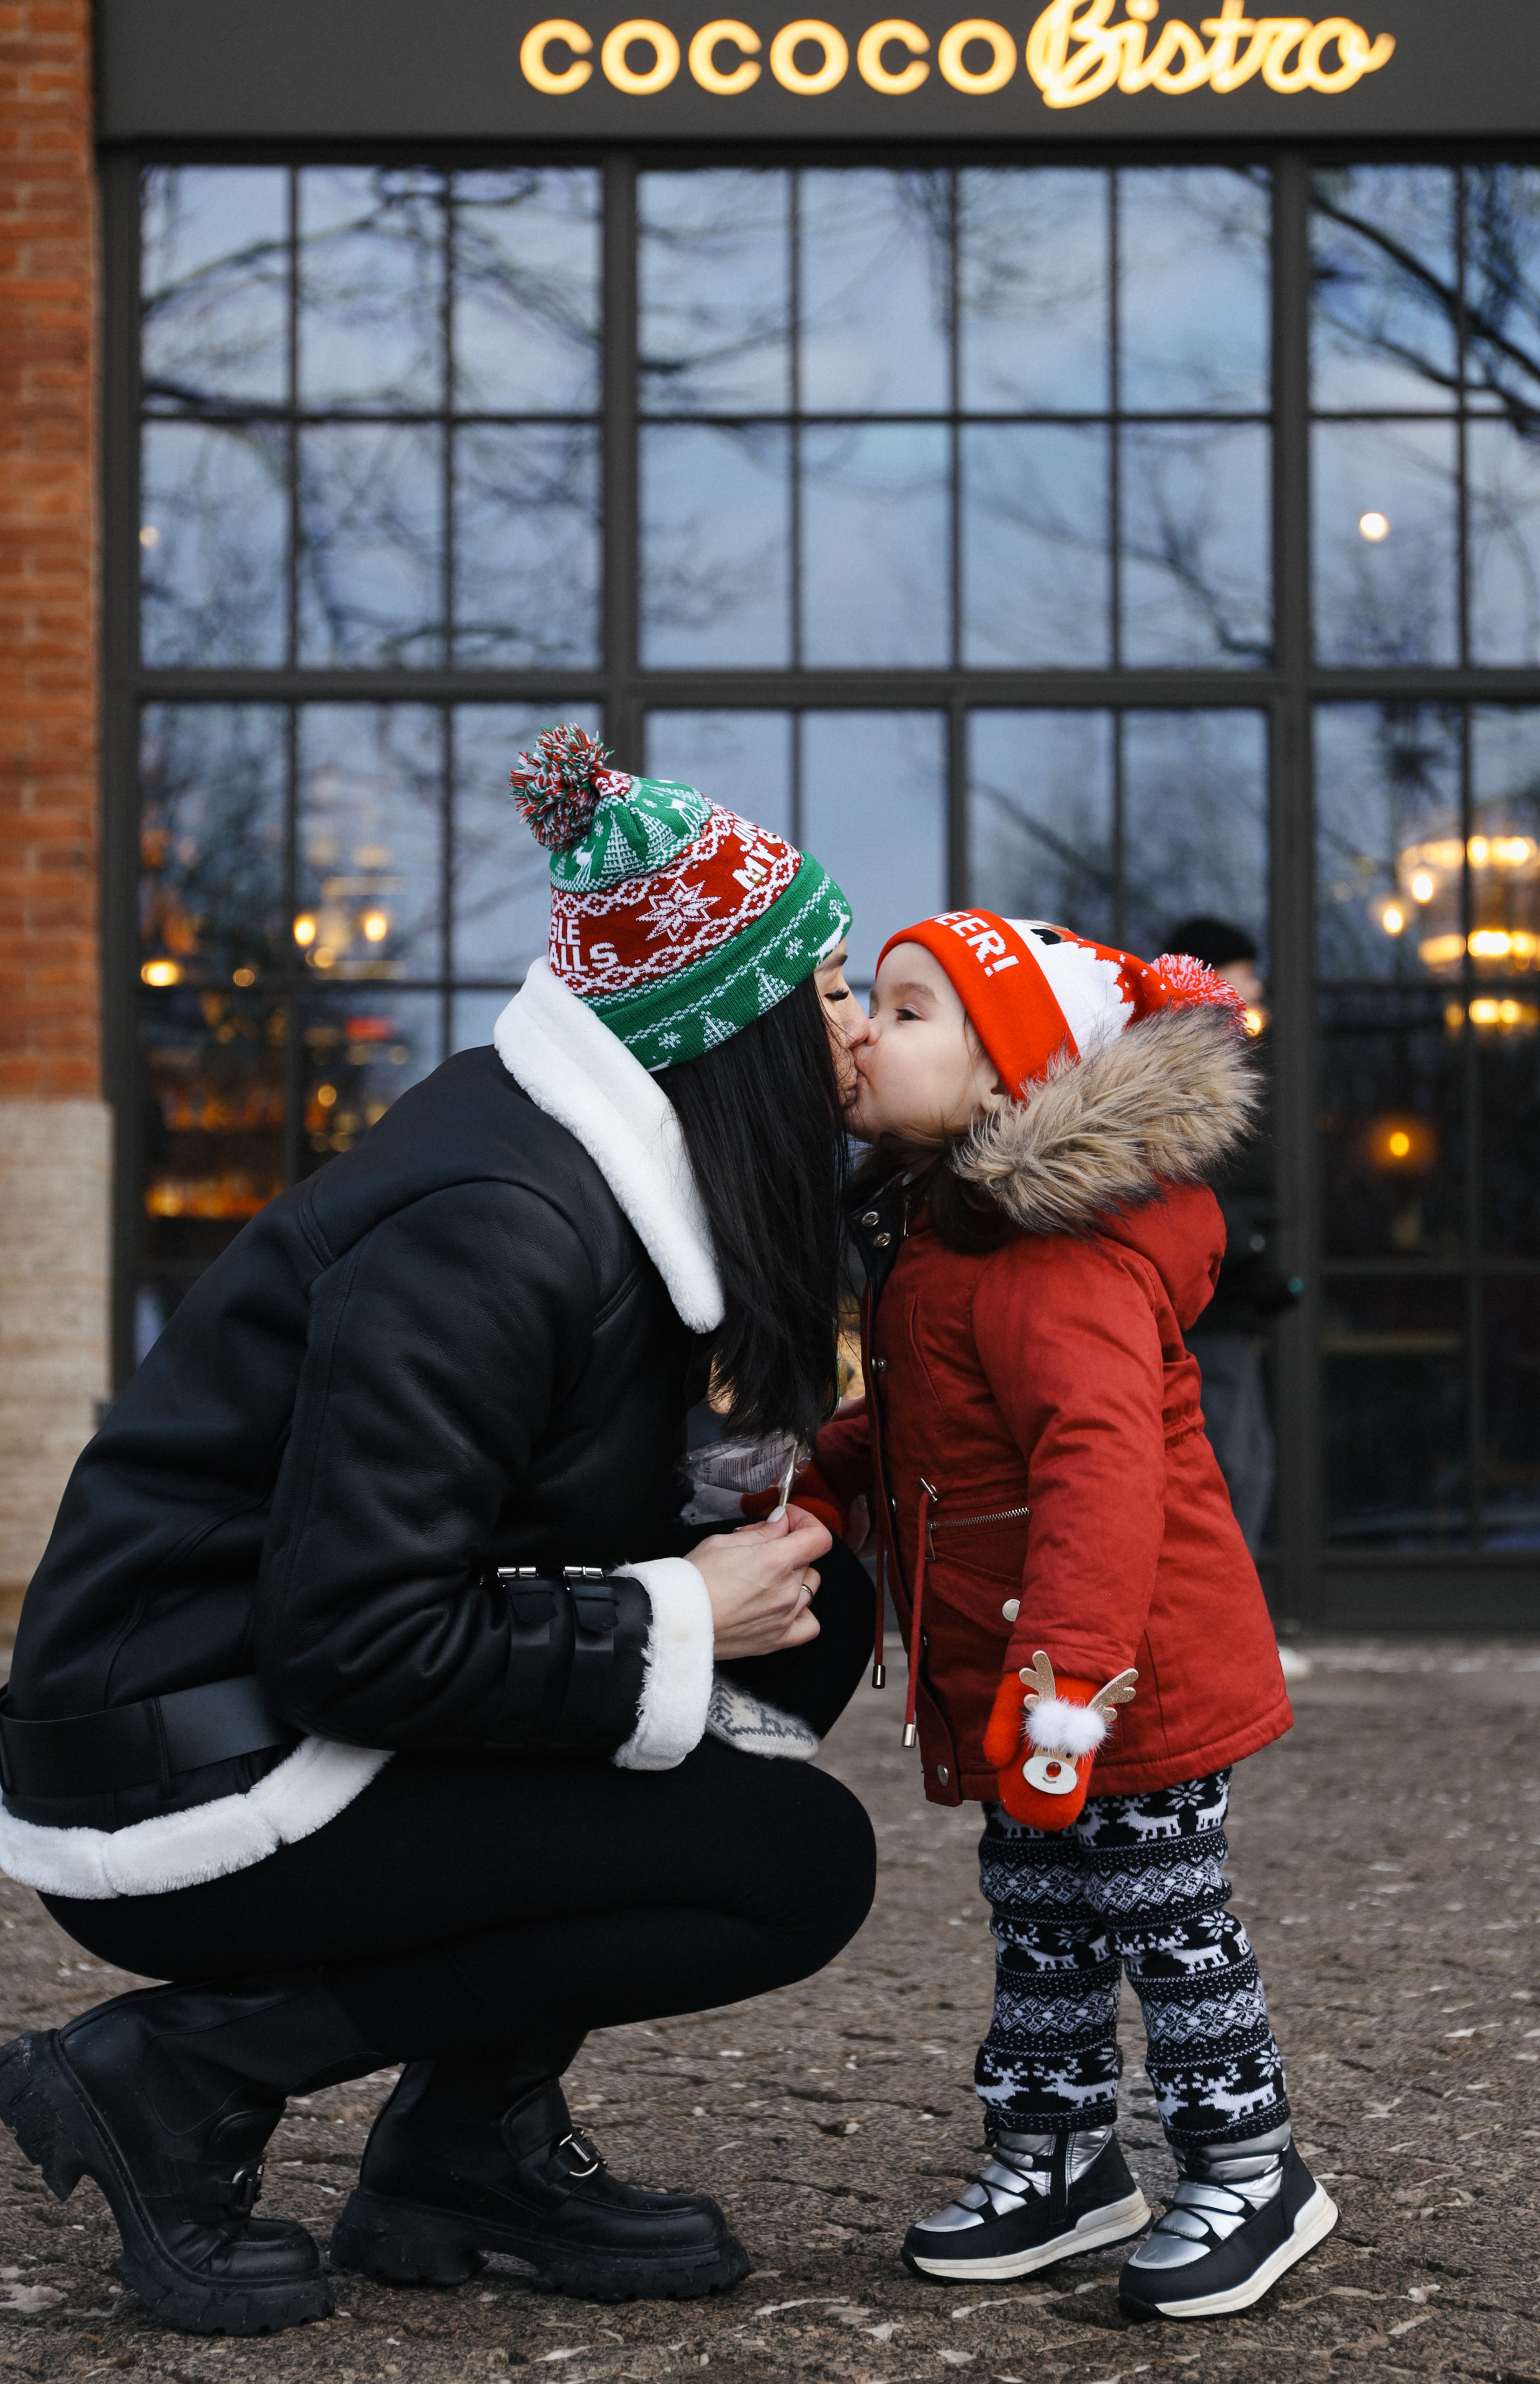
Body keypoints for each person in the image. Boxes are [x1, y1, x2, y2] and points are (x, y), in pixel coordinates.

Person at [0, 727, 878, 2337]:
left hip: (279, 1687)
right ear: (726, 1030)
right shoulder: (495, 1232)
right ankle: (178, 2072)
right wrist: (669, 1617)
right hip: (183, 1758)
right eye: (826, 993)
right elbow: (359, 1637)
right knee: (789, 1865)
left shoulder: (605, 1186)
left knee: (823, 1619)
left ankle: (461, 2151)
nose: (856, 1035)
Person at [788, 909, 1334, 2321]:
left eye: (906, 1012)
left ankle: (1249, 2162)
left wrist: (1073, 1676)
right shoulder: (940, 1233)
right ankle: (1058, 2157)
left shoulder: (1053, 1255)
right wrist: (810, 1484)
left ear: (1005, 1077)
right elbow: (911, 1424)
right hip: (1026, 1676)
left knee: (1163, 1916)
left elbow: (1100, 1467)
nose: (863, 1030)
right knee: (1040, 1918)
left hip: (1120, 1674)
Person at [1162, 917, 1302, 1554]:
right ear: (1213, 978)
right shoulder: (1186, 1066)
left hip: (1223, 1305)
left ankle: (1227, 1624)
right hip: (1205, 1307)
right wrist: (1244, 1247)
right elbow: (1189, 1177)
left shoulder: (1217, 1061)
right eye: (1245, 973)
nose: (1259, 986)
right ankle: (1215, 1628)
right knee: (1229, 1470)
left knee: (1247, 1467)